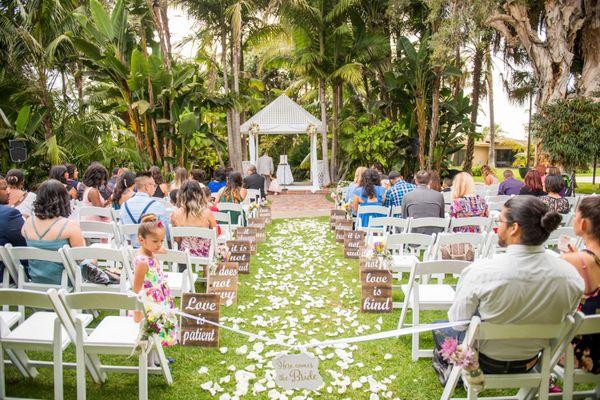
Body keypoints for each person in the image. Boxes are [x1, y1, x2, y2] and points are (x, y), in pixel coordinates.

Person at [435, 196, 583, 377]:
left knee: (440, 326)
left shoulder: (481, 271)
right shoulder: (571, 276)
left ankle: (449, 369)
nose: (498, 227)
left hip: (483, 360)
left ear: (514, 228)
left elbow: (458, 322)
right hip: (531, 361)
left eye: (500, 221)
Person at [561, 196, 600, 374]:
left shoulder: (572, 261)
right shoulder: (580, 260)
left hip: (586, 351)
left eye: (575, 214)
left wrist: (576, 258)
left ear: (583, 223)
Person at [20, 180, 85, 285]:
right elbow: (81, 258)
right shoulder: (69, 226)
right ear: (63, 199)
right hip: (65, 282)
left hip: (36, 280)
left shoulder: (27, 223)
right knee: (92, 260)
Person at [132, 214, 177, 353]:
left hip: (159, 297)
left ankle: (157, 356)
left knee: (160, 328)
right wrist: (137, 312)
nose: (159, 245)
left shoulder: (151, 251)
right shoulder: (142, 262)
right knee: (153, 329)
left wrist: (159, 249)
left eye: (161, 241)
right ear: (141, 240)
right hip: (150, 303)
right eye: (155, 241)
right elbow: (136, 289)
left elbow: (160, 249)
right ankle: (153, 359)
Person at [171, 180, 218, 257]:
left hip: (185, 256)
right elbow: (215, 235)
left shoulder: (176, 214)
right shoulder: (207, 213)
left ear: (181, 195)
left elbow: (177, 240)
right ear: (200, 194)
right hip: (206, 256)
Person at [120, 172, 170, 245]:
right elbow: (166, 234)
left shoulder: (124, 205)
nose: (155, 188)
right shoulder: (157, 206)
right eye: (154, 185)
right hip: (153, 252)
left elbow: (122, 233)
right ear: (147, 187)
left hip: (131, 252)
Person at [0, 176, 27, 283]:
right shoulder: (9, 214)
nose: (8, 192)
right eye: (4, 188)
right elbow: (23, 247)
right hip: (6, 276)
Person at [401, 170, 445, 234]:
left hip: (414, 237)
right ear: (430, 181)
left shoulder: (407, 196)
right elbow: (441, 218)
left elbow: (404, 218)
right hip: (434, 237)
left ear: (416, 181)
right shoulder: (439, 196)